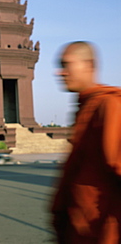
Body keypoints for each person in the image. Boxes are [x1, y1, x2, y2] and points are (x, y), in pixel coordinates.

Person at [51, 41, 121, 243]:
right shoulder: (86, 106)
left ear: (89, 65)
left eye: (66, 65)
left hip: (103, 233)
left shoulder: (109, 106)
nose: (60, 73)